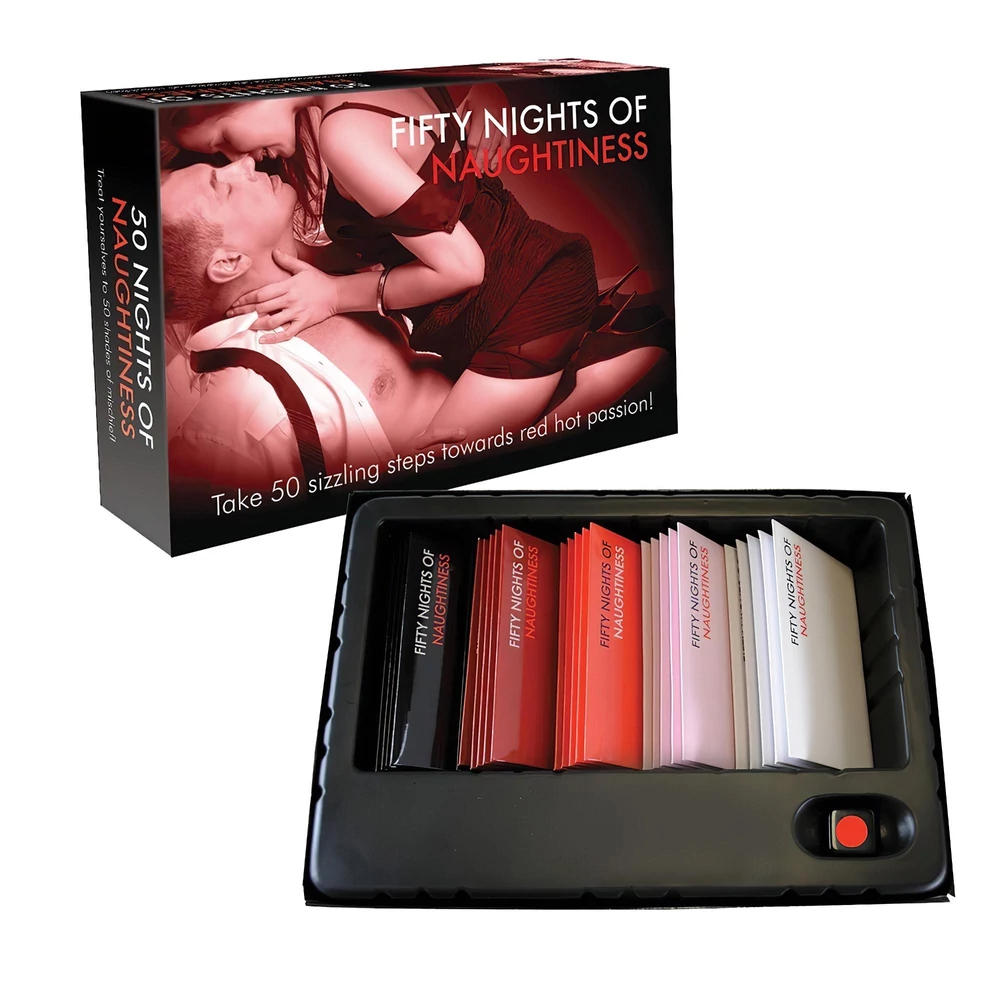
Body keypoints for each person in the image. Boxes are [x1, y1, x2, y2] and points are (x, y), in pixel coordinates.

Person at [164, 85, 623, 442]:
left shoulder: (342, 135)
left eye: (223, 139)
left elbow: (464, 267)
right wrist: (489, 94)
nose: (241, 161)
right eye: (219, 156)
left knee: (440, 463)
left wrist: (334, 295)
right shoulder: (371, 93)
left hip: (525, 304)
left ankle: (600, 385)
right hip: (529, 275)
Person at [162, 157, 465, 494]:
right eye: (224, 189)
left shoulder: (352, 246)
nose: (244, 163)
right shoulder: (232, 411)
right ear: (229, 262)